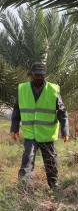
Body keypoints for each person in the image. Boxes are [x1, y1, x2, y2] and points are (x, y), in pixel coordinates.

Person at [10, 62, 69, 192]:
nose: (38, 77)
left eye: (41, 75)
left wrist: (65, 130)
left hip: (47, 134)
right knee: (27, 161)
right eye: (36, 75)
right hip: (30, 133)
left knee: (51, 161)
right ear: (31, 74)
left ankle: (54, 187)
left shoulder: (53, 89)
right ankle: (25, 189)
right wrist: (14, 128)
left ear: (44, 75)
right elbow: (17, 109)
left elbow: (62, 111)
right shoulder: (23, 88)